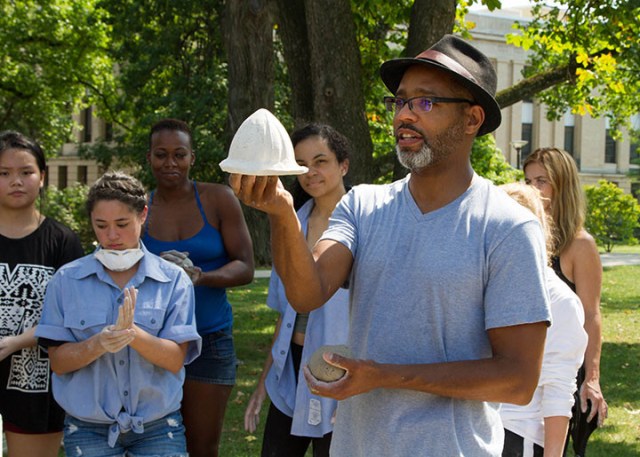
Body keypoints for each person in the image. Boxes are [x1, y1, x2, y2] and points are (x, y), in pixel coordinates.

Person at [229, 34, 552, 456]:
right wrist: (281, 211)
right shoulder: (363, 205)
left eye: (426, 102)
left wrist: (384, 376)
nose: (405, 116)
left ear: (472, 119)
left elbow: (517, 380)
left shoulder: (507, 227)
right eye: (400, 102)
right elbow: (308, 292)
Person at [34, 171, 201, 457]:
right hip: (88, 428)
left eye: (122, 224)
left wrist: (132, 334)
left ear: (143, 215)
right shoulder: (67, 280)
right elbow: (58, 363)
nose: (111, 236)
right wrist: (97, 343)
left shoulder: (173, 280)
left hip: (158, 426)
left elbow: (175, 359)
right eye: (101, 225)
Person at [141, 118, 255, 457]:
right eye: (161, 155)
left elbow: (246, 266)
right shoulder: (139, 207)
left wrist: (199, 277)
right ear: (149, 158)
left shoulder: (218, 199)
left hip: (210, 339)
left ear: (192, 157)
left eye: (179, 154)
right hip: (153, 344)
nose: (170, 163)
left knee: (202, 446)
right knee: (153, 443)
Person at [243, 123, 351, 456]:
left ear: (343, 165)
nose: (310, 171)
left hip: (342, 373)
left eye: (321, 161)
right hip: (290, 371)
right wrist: (263, 384)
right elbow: (285, 314)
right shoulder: (290, 222)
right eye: (301, 164)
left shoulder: (365, 223)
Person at [0, 131, 85, 457]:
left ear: (42, 177)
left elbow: (72, 315)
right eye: (4, 173)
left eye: (26, 172)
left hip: (36, 383)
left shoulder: (62, 241)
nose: (16, 181)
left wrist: (19, 340)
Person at [523, 147, 608, 456]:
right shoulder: (525, 235)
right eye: (527, 180)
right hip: (525, 361)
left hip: (561, 369)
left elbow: (591, 314)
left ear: (562, 185)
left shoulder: (580, 245)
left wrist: (593, 378)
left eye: (541, 181)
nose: (532, 189)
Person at [499, 183, 588, 457]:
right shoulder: (482, 285)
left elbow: (558, 393)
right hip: (467, 431)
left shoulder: (559, 301)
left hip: (515, 438)